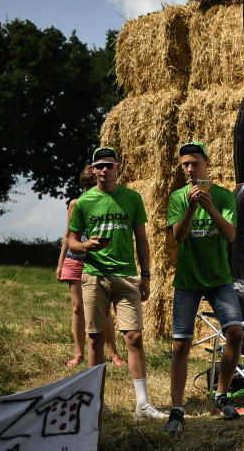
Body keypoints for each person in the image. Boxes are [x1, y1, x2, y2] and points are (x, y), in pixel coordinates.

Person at [68, 146, 166, 420]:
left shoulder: (132, 199)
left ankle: (142, 404)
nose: (103, 170)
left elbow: (142, 239)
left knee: (133, 336)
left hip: (126, 275)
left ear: (117, 168)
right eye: (99, 165)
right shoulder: (85, 202)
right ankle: (95, 402)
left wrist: (146, 275)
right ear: (94, 169)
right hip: (94, 275)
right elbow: (72, 241)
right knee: (95, 339)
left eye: (109, 165)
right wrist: (87, 245)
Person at [165, 141, 243, 434]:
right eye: (184, 164)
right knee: (180, 344)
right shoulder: (177, 197)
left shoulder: (223, 196)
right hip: (188, 280)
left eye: (194, 163)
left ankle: (220, 395)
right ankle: (177, 408)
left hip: (219, 278)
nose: (188, 169)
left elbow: (231, 234)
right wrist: (189, 207)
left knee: (236, 333)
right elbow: (179, 237)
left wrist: (209, 206)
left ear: (206, 165)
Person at [56, 165, 127, 368]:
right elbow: (68, 236)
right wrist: (61, 263)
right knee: (78, 307)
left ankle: (113, 353)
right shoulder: (76, 204)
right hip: (74, 258)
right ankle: (79, 353)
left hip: (97, 260)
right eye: (85, 185)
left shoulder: (108, 202)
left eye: (91, 184)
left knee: (103, 310)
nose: (88, 188)